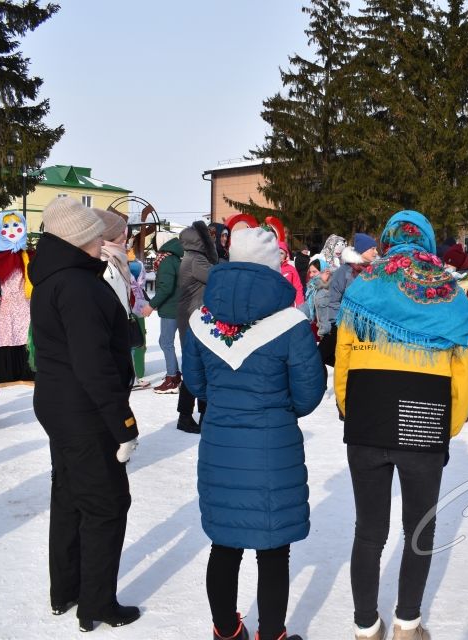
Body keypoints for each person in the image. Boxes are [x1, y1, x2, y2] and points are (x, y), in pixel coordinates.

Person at [334, 211, 468, 640]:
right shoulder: (448, 292)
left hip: (368, 418)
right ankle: (407, 624)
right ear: (428, 241)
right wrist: (447, 427)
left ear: (389, 239)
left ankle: (364, 626)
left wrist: (349, 408)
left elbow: (343, 358)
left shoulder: (362, 285)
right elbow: (463, 372)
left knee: (369, 530)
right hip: (425, 419)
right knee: (419, 529)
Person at [182, 226, 325, 640]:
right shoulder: (290, 323)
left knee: (224, 545)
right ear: (272, 266)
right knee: (273, 551)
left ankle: (226, 631)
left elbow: (196, 384)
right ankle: (273, 635)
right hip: (272, 451)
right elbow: (308, 394)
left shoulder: (202, 320)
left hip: (220, 449)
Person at [29, 197, 140, 632]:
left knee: (71, 496)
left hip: (60, 403)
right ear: (80, 239)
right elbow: (93, 363)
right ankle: (96, 604)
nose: (104, 241)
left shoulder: (56, 278)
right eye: (96, 234)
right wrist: (122, 423)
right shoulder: (79, 285)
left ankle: (67, 590)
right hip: (84, 410)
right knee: (107, 504)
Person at [0, 210, 34, 383]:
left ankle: (28, 372)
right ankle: (8, 374)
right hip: (7, 306)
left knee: (25, 336)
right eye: (6, 226)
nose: (12, 230)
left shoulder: (29, 256)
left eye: (17, 225)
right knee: (7, 336)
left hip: (27, 305)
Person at [175, 221, 219, 433]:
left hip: (191, 318)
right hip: (195, 320)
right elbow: (218, 277)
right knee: (200, 369)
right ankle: (200, 416)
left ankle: (190, 415)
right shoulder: (197, 260)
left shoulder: (191, 258)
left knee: (194, 368)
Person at [319, 234, 377, 366]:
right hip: (343, 324)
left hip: (367, 326)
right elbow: (334, 299)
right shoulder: (344, 271)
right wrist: (335, 323)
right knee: (322, 355)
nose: (376, 252)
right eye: (372, 248)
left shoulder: (375, 271)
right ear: (362, 250)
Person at [142, 236, 184, 393]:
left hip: (170, 309)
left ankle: (172, 378)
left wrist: (151, 305)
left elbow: (166, 288)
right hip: (176, 307)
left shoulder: (166, 262)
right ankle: (175, 374)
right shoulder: (173, 259)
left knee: (166, 343)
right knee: (165, 342)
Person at [127, 253, 149, 388]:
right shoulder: (139, 264)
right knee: (140, 338)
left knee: (128, 340)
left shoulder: (119, 264)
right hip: (139, 305)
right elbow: (141, 283)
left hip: (127, 305)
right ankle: (139, 370)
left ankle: (133, 372)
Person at [279, 241, 305, 308]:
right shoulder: (269, 267)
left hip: (288, 306)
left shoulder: (291, 269)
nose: (278, 255)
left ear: (286, 255)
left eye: (281, 253)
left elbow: (298, 288)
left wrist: (299, 304)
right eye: (276, 252)